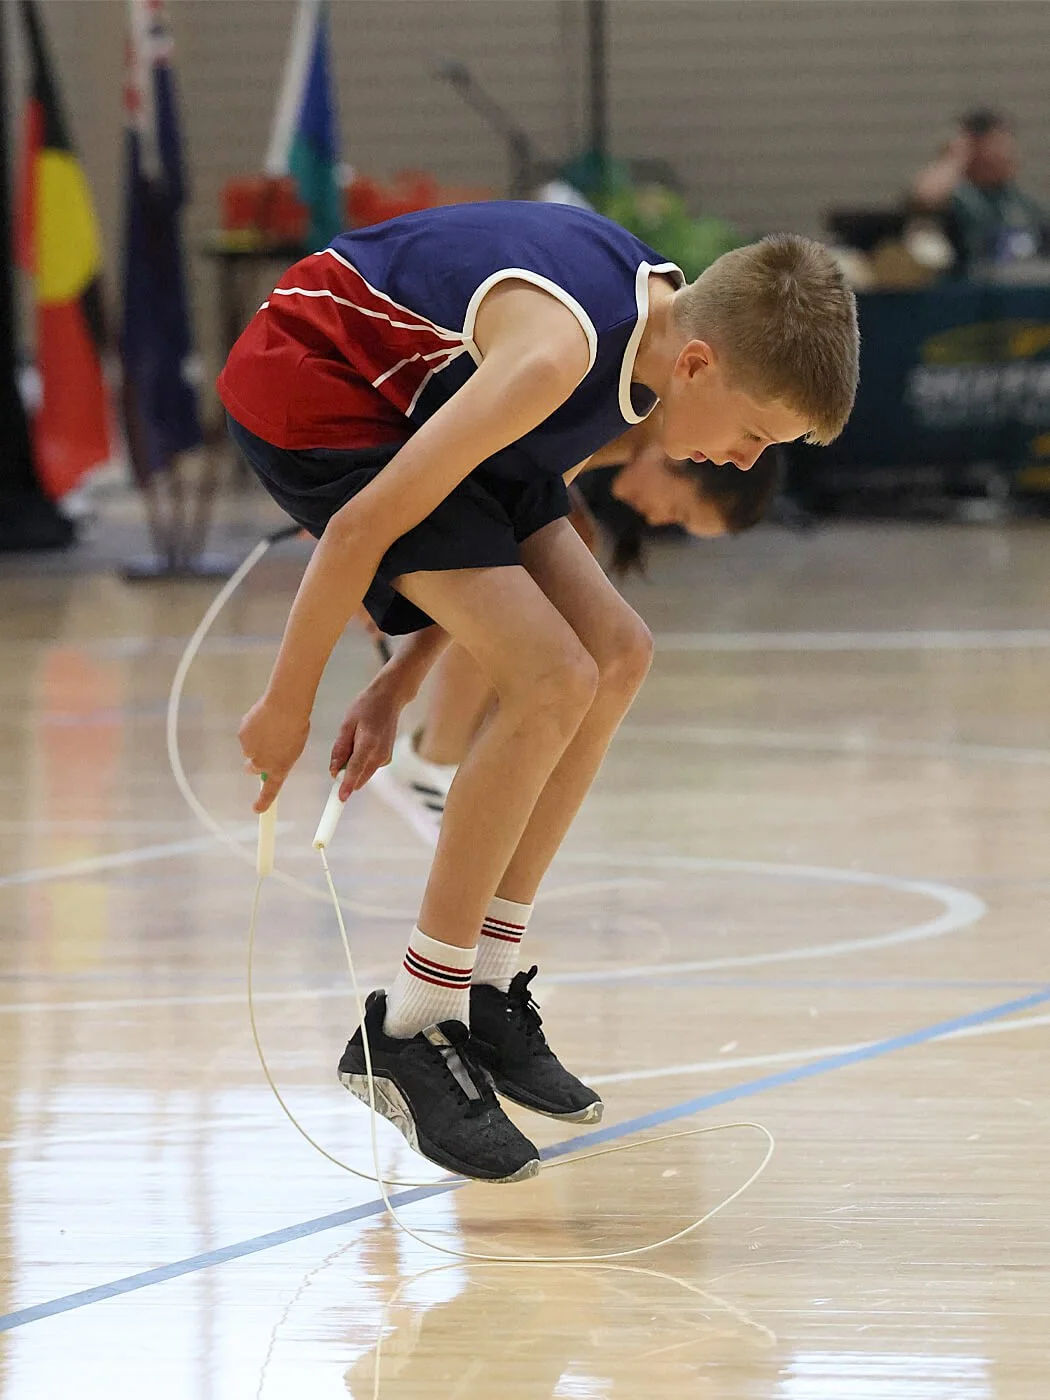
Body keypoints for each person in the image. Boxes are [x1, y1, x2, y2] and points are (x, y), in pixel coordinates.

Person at [218, 200, 858, 1183]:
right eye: (755, 434)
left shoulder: (649, 342)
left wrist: (398, 679)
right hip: (320, 389)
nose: (744, 462)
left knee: (616, 649)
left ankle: (488, 979)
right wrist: (287, 701)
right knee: (552, 673)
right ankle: (413, 1020)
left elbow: (480, 528)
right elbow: (361, 529)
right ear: (699, 367)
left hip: (421, 404)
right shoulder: (560, 357)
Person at [386, 437, 780, 819]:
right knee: (535, 583)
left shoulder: (597, 447)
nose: (660, 520)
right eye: (678, 510)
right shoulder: (606, 416)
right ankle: (433, 757)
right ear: (687, 456)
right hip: (404, 467)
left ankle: (440, 758)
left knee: (565, 553)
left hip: (445, 483)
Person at [910, 107, 1050, 269]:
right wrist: (956, 156)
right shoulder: (960, 196)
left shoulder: (1020, 202)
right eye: (1000, 143)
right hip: (975, 287)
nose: (1011, 152)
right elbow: (924, 197)